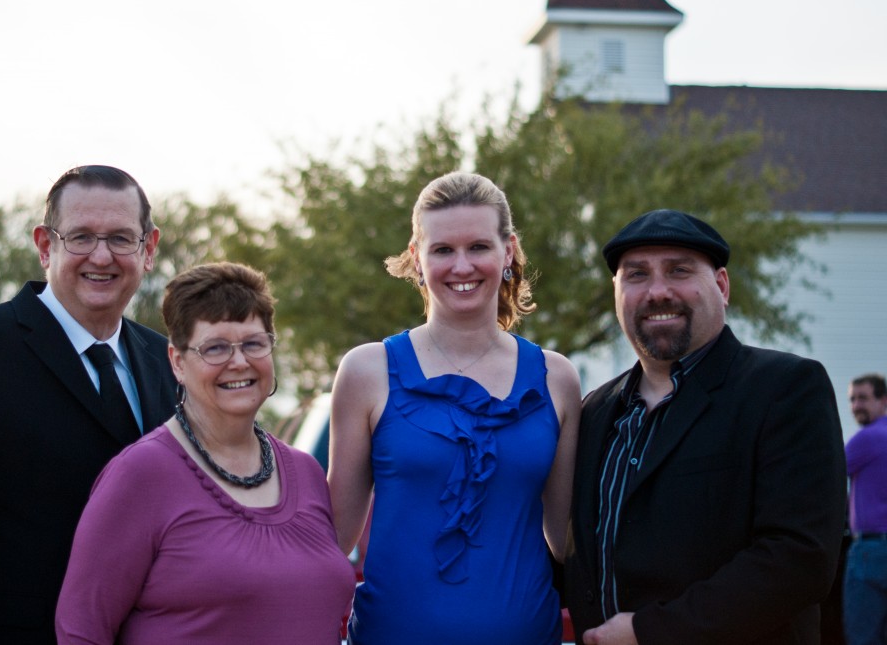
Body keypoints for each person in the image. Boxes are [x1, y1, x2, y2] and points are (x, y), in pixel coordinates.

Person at [0, 165, 178, 644]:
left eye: (120, 238)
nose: (102, 255)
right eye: (81, 237)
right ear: (46, 245)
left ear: (148, 249)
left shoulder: (168, 359)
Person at [566, 209, 847, 645]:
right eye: (636, 275)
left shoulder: (785, 388)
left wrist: (647, 632)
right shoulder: (594, 411)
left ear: (721, 286)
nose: (657, 292)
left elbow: (800, 560)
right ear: (617, 293)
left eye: (678, 271)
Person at [329, 171, 582, 644]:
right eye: (443, 249)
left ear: (507, 252)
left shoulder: (557, 378)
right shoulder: (366, 372)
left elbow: (566, 541)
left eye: (479, 247)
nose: (461, 266)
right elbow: (334, 540)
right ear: (416, 259)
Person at [55, 262, 355, 643]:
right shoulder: (141, 475)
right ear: (178, 363)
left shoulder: (306, 471)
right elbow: (81, 630)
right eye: (215, 347)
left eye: (254, 343)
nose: (239, 361)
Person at [843, 373, 887, 645]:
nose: (856, 405)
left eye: (863, 398)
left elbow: (824, 476)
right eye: (852, 399)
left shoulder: (868, 438)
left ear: (884, 401)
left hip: (871, 551)